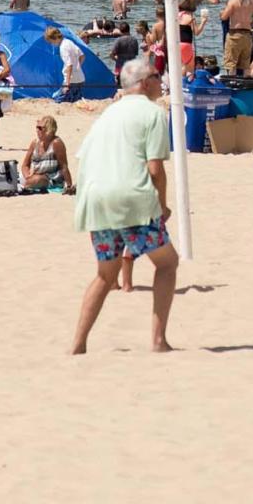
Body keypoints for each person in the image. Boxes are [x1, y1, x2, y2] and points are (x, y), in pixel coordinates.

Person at [70, 59, 178, 355]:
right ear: (144, 83)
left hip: (96, 198)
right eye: (157, 76)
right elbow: (155, 168)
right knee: (167, 263)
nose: (161, 82)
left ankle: (78, 343)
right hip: (131, 196)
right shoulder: (153, 112)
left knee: (106, 275)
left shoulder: (107, 114)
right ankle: (158, 340)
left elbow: (85, 157)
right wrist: (163, 205)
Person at [23, 116, 71, 192]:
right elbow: (25, 165)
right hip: (33, 175)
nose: (37, 130)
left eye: (40, 128)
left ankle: (25, 185)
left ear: (49, 130)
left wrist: (69, 186)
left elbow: (64, 166)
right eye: (37, 127)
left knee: (36, 180)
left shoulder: (56, 143)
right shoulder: (35, 143)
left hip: (50, 178)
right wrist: (27, 176)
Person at [220, 0, 253, 74]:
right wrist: (250, 23)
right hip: (247, 34)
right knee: (246, 64)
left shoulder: (232, 1)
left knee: (231, 62)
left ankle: (232, 82)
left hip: (235, 34)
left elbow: (224, 17)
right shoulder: (251, 1)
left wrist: (222, 12)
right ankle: (247, 85)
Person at [56, 25, 89, 102]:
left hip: (71, 81)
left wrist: (67, 84)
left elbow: (69, 65)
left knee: (60, 101)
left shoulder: (63, 47)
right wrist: (78, 67)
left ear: (54, 39)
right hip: (80, 78)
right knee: (75, 101)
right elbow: (82, 56)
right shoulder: (68, 41)